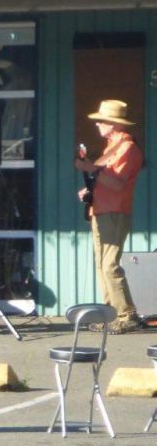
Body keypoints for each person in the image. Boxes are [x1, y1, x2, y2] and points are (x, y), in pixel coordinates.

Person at [75, 100, 144, 334]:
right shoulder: (112, 147)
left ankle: (126, 315)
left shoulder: (128, 149)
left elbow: (117, 183)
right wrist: (90, 190)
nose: (98, 125)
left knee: (109, 265)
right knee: (101, 266)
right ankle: (112, 314)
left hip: (115, 211)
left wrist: (90, 169)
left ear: (114, 124)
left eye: (102, 121)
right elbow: (106, 180)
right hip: (101, 209)